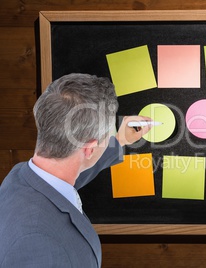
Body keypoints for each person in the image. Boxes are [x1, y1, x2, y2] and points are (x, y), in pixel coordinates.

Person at [0, 73, 151, 267]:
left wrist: (119, 140)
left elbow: (67, 177)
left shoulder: (21, 178)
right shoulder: (37, 243)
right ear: (89, 148)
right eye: (107, 135)